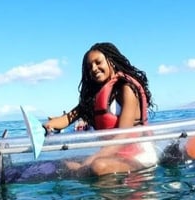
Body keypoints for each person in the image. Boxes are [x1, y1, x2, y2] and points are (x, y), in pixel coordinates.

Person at [43, 42, 157, 176]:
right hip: (115, 155)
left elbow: (123, 136)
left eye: (98, 62)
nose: (94, 68)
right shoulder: (95, 96)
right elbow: (69, 117)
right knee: (66, 164)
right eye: (89, 67)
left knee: (97, 166)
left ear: (111, 61)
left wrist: (91, 160)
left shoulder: (127, 89)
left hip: (140, 155)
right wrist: (45, 127)